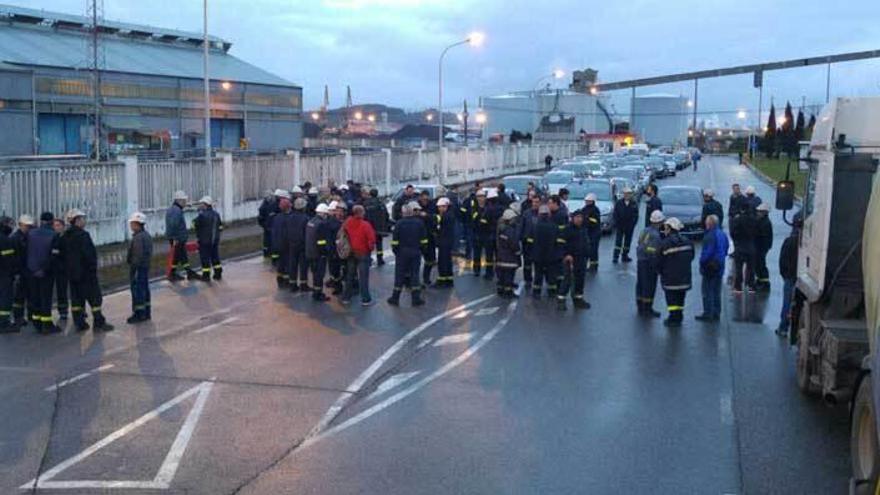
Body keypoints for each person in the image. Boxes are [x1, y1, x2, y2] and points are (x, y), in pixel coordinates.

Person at [64, 209, 113, 332]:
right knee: (95, 299)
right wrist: (92, 269)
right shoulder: (83, 235)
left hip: (72, 275)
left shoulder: (65, 236)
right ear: (76, 221)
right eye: (81, 219)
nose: (84, 221)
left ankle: (80, 323)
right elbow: (89, 255)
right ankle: (99, 323)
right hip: (86, 274)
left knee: (76, 300)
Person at [26, 212, 61, 334]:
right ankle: (47, 324)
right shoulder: (54, 235)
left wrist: (33, 269)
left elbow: (27, 252)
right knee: (46, 298)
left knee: (35, 298)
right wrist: (44, 270)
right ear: (52, 221)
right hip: (46, 272)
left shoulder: (30, 233)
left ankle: (37, 323)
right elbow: (54, 256)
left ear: (41, 221)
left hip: (32, 271)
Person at [388, 202, 428, 307]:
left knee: (399, 275)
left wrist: (396, 252)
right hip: (415, 252)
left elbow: (395, 241)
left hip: (402, 253)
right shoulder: (419, 223)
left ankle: (395, 298)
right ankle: (416, 299)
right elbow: (424, 240)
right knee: (415, 275)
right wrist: (421, 250)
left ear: (403, 213)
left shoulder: (399, 224)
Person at [658, 217, 694, 327]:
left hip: (670, 279)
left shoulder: (665, 243)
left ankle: (673, 318)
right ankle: (679, 316)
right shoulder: (688, 241)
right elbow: (691, 256)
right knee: (680, 298)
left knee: (672, 300)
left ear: (670, 228)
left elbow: (659, 261)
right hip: (684, 277)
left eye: (666, 228)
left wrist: (661, 272)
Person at [341, 205, 377, 306]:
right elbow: (371, 240)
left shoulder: (347, 222)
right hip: (363, 253)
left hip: (351, 252)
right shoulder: (365, 225)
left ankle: (346, 297)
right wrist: (370, 248)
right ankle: (365, 299)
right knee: (363, 277)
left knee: (350, 276)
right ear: (361, 213)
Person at [696, 214, 729, 322]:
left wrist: (702, 262)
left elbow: (707, 252)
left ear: (710, 224)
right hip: (719, 266)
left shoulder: (710, 235)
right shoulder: (722, 234)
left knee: (707, 291)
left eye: (706, 222)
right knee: (716, 291)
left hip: (710, 267)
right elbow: (726, 248)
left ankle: (708, 313)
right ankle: (716, 312)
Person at [559, 209, 591, 311]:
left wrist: (588, 254)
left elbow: (586, 243)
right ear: (572, 218)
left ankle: (578, 300)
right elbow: (560, 244)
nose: (579, 219)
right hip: (570, 259)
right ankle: (561, 301)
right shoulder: (567, 229)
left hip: (581, 259)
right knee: (567, 280)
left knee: (580, 280)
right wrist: (566, 255)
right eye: (577, 217)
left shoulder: (583, 229)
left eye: (580, 217)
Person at [636, 210, 665, 317]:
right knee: (649, 285)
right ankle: (647, 308)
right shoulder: (656, 235)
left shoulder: (645, 230)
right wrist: (657, 266)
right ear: (660, 222)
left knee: (641, 284)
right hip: (649, 262)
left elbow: (639, 243)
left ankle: (640, 305)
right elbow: (653, 251)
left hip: (641, 260)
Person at [531, 204, 564, 299]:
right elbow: (559, 241)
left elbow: (530, 240)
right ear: (548, 214)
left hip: (538, 256)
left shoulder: (535, 227)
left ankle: (536, 292)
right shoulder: (554, 226)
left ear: (539, 214)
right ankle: (552, 292)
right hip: (551, 256)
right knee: (551, 276)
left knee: (538, 275)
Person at [125, 212, 153, 324]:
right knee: (144, 289)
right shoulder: (146, 236)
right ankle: (146, 313)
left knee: (138, 291)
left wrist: (133, 267)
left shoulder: (137, 238)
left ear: (137, 224)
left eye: (132, 223)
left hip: (138, 268)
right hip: (145, 267)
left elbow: (137, 255)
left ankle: (139, 314)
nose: (130, 226)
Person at [777, 213, 801, 336]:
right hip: (802, 278)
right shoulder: (806, 242)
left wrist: (784, 274)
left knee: (787, 302)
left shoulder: (789, 241)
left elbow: (782, 259)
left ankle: (783, 327)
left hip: (790, 277)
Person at [165, 190, 196, 281]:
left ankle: (187, 271)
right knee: (178, 255)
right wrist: (175, 238)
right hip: (177, 238)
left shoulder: (174, 209)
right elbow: (174, 224)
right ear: (179, 200)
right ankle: (173, 273)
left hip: (178, 238)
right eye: (184, 201)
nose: (185, 203)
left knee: (181, 255)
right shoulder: (176, 211)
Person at [305, 203, 332, 302]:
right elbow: (321, 242)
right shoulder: (322, 224)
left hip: (310, 252)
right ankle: (318, 294)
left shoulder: (310, 222)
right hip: (318, 254)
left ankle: (316, 292)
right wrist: (325, 253)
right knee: (319, 274)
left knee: (314, 273)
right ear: (324, 213)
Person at [11, 214, 33, 327]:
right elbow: (15, 258)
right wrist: (16, 272)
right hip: (20, 271)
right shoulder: (15, 238)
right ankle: (18, 317)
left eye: (29, 226)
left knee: (30, 294)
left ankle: (30, 315)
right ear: (20, 225)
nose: (28, 228)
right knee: (19, 297)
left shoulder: (29, 237)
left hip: (28, 270)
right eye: (26, 226)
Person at [194, 196, 223, 282]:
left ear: (205, 204)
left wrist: (198, 215)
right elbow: (220, 227)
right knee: (215, 257)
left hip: (204, 241)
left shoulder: (202, 215)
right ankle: (218, 273)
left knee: (205, 258)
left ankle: (206, 275)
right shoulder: (216, 214)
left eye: (201, 204)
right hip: (214, 241)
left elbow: (194, 225)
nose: (200, 205)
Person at [730, 206, 757, 293]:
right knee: (751, 267)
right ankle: (751, 286)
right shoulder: (754, 220)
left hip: (740, 246)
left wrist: (736, 241)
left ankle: (738, 286)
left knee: (739, 267)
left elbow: (733, 232)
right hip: (751, 246)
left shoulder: (738, 220)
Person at [472, 190, 498, 279]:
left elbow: (491, 220)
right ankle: (476, 270)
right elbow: (472, 217)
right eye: (478, 196)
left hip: (487, 233)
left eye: (482, 196)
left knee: (489, 255)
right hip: (477, 233)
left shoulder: (489, 207)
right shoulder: (474, 207)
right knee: (476, 254)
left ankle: (489, 272)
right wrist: (480, 217)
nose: (480, 198)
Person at [495, 209, 521, 298]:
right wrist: (518, 252)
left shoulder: (501, 229)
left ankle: (500, 290)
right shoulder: (510, 230)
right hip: (510, 257)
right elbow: (514, 243)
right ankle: (508, 293)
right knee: (509, 276)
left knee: (501, 275)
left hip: (501, 256)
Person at [271, 191, 294, 288]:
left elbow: (274, 231)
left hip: (278, 244)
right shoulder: (289, 218)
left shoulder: (277, 217)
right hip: (286, 244)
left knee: (281, 263)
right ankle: (286, 281)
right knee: (288, 263)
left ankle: (280, 280)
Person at [0, 216, 19, 332]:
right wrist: (15, 272)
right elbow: (9, 260)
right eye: (11, 225)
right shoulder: (4, 240)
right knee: (5, 298)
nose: (12, 227)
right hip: (4, 274)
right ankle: (3, 323)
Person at [362, 188, 390, 266]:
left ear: (370, 194)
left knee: (369, 244)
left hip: (369, 227)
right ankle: (380, 259)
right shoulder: (381, 203)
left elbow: (364, 215)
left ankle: (369, 259)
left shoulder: (366, 203)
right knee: (379, 244)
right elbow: (386, 215)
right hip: (379, 228)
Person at [288, 198, 311, 292]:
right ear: (303, 207)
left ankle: (292, 285)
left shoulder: (290, 217)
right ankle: (303, 284)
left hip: (292, 244)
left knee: (293, 264)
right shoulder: (306, 218)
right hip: (302, 245)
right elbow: (307, 233)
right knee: (303, 265)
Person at [612, 187, 639, 263]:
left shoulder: (634, 203)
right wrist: (617, 224)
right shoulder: (619, 203)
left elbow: (636, 215)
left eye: (629, 194)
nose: (627, 195)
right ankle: (615, 257)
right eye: (626, 194)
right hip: (620, 226)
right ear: (623, 194)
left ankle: (625, 256)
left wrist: (632, 225)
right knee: (618, 242)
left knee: (627, 242)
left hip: (629, 227)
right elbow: (615, 214)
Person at [520, 196, 541, 289]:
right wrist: (521, 238)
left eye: (537, 202)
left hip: (539, 244)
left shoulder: (543, 214)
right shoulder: (526, 213)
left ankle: (537, 281)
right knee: (527, 264)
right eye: (533, 202)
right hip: (527, 243)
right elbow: (522, 227)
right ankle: (527, 280)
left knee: (538, 264)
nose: (535, 204)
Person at [434, 197, 456, 288]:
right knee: (447, 261)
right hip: (448, 241)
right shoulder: (450, 214)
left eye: (442, 207)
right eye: (439, 207)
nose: (440, 209)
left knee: (443, 262)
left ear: (446, 206)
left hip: (444, 241)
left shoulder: (446, 216)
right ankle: (449, 280)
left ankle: (442, 281)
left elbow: (440, 227)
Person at [417, 192, 437, 287]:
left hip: (430, 237)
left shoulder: (433, 205)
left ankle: (426, 278)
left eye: (426, 199)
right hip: (418, 237)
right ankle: (415, 281)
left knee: (430, 260)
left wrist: (427, 215)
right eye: (423, 199)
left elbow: (436, 218)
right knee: (416, 261)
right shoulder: (416, 206)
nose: (425, 201)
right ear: (420, 198)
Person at [326, 201, 346, 295]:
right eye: (337, 210)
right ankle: (337, 285)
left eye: (341, 211)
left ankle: (344, 285)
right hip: (333, 249)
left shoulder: (345, 222)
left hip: (343, 249)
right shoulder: (331, 222)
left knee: (344, 268)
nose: (339, 213)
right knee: (334, 268)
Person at [51, 217, 69, 322]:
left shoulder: (66, 237)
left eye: (58, 225)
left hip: (65, 268)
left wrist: (57, 252)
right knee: (60, 290)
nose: (56, 227)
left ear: (63, 226)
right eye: (54, 226)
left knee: (68, 290)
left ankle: (67, 310)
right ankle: (62, 310)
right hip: (56, 268)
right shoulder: (54, 237)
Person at [754, 203, 773, 291]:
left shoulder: (765, 223)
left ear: (765, 212)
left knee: (761, 264)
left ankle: (765, 282)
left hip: (761, 247)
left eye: (760, 212)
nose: (758, 213)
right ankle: (760, 280)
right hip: (760, 246)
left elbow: (762, 235)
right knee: (757, 264)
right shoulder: (761, 221)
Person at [258, 190, 280, 257]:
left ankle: (268, 254)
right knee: (269, 242)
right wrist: (266, 226)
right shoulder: (264, 207)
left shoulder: (269, 205)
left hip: (269, 227)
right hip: (268, 227)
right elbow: (261, 218)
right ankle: (269, 255)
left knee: (268, 242)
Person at [582, 193, 602, 271]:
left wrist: (587, 219)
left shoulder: (595, 210)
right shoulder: (584, 209)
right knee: (587, 249)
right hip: (587, 231)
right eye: (586, 201)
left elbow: (595, 221)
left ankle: (594, 265)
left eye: (588, 201)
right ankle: (588, 264)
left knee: (593, 249)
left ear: (592, 201)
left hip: (595, 232)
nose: (586, 202)